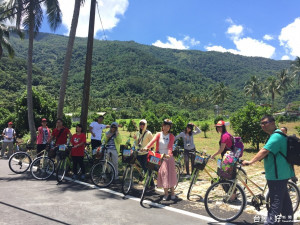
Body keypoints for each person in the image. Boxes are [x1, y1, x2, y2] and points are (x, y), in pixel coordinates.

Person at [242, 115, 294, 225]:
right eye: (261, 123)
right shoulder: (276, 135)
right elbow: (270, 153)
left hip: (277, 176)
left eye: (265, 123)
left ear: (273, 123)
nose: (263, 125)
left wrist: (250, 162)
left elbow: (265, 151)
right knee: (286, 204)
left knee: (275, 204)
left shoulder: (276, 136)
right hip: (281, 174)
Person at [144, 119, 177, 200]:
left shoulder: (171, 136)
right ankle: (166, 193)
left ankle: (172, 192)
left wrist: (168, 154)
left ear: (170, 128)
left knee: (171, 174)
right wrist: (146, 147)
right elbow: (152, 141)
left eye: (168, 126)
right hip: (159, 157)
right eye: (165, 126)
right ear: (162, 126)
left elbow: (170, 147)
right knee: (163, 174)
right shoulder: (158, 134)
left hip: (168, 157)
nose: (166, 128)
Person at [133, 119, 154, 187]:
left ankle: (151, 184)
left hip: (146, 153)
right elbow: (136, 143)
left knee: (146, 169)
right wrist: (136, 139)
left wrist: (148, 149)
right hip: (139, 153)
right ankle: (145, 179)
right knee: (142, 167)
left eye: (143, 124)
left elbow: (152, 143)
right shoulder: (138, 133)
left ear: (145, 125)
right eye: (140, 124)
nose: (141, 125)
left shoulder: (148, 133)